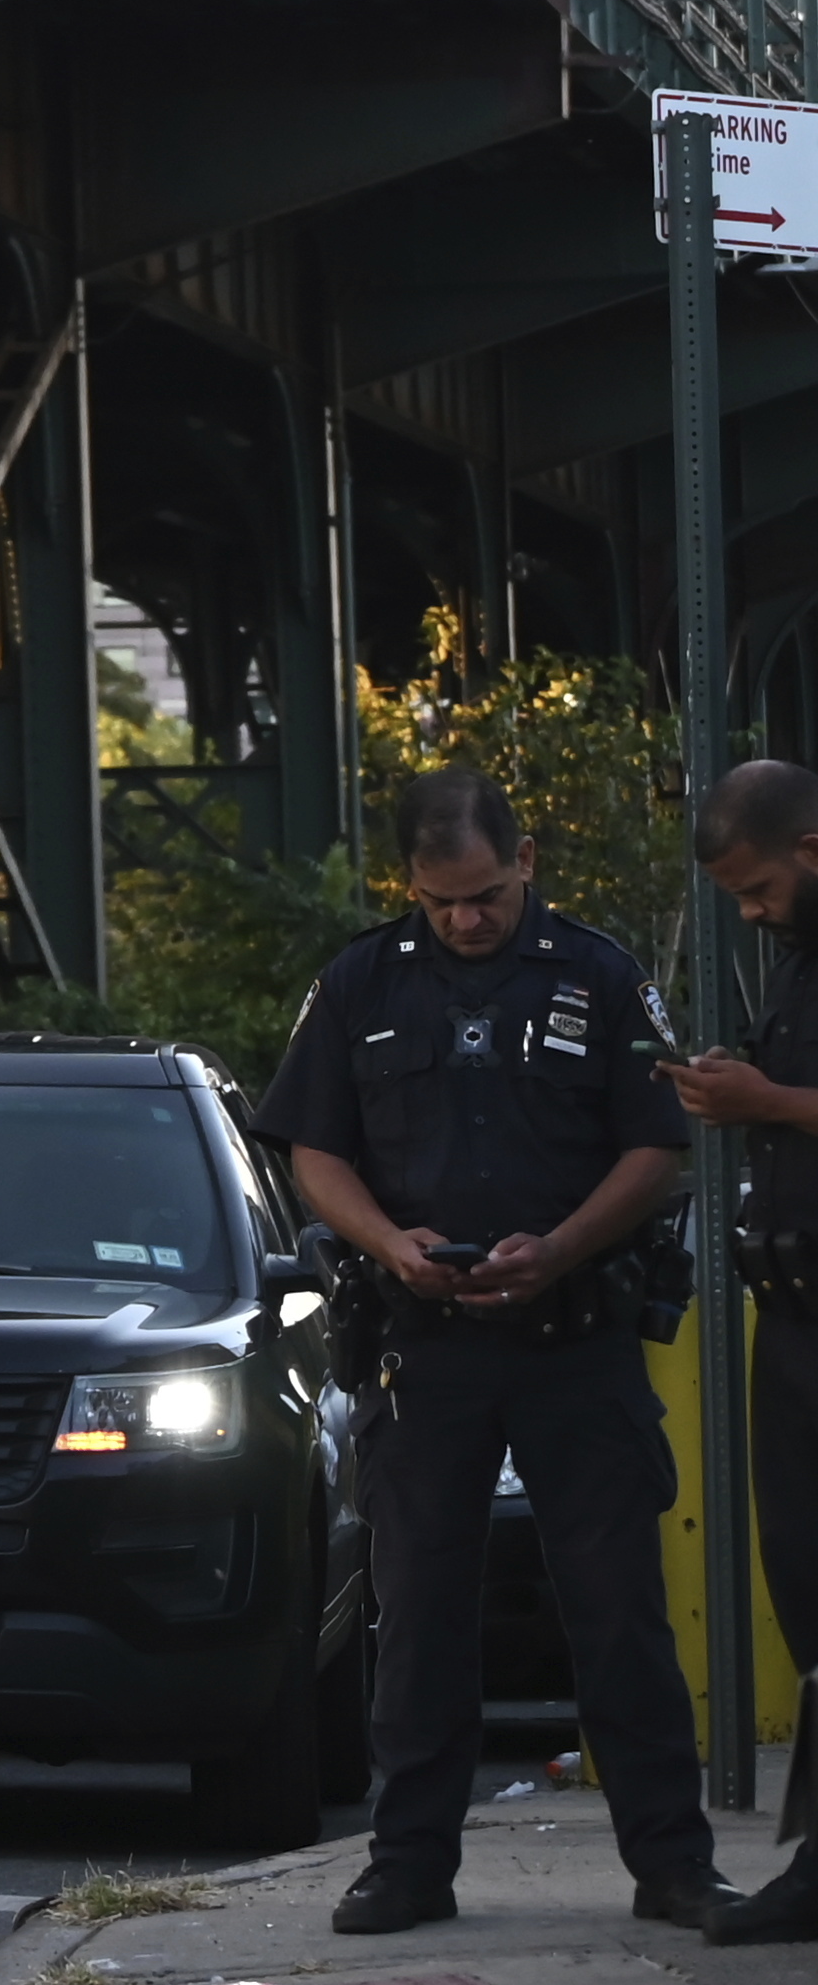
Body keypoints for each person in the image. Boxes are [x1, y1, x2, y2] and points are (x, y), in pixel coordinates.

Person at [267, 768, 720, 1936]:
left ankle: (671, 1861)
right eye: (438, 898)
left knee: (616, 1607)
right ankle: (408, 1862)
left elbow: (656, 1144)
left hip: (572, 1341)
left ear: (524, 862)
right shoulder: (362, 978)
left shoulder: (600, 974)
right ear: (407, 884)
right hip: (423, 1347)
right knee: (417, 1612)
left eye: (481, 894)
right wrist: (390, 1240)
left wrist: (562, 1244)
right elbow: (313, 1146)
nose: (464, 918)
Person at [673, 755, 818, 1940]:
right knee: (806, 1590)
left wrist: (766, 1101)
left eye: (760, 886)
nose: (752, 911)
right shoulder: (798, 960)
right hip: (796, 1312)